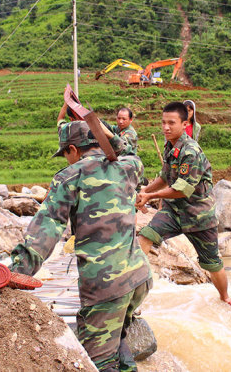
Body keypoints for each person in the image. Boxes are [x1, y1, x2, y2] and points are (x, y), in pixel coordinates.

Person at [10, 111, 152, 372]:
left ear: (73, 149)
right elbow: (126, 148)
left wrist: (15, 273)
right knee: (118, 334)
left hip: (105, 286)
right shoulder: (130, 166)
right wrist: (98, 125)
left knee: (98, 364)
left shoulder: (69, 176)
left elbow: (47, 229)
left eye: (66, 153)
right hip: (139, 278)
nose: (66, 159)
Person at [135, 101, 231, 314]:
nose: (166, 128)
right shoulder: (170, 146)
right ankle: (135, 293)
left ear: (185, 124)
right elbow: (165, 177)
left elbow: (182, 189)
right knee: (144, 238)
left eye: (171, 123)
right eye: (163, 123)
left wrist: (150, 195)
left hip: (198, 215)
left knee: (212, 264)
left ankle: (226, 298)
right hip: (173, 211)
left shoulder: (191, 151)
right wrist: (145, 191)